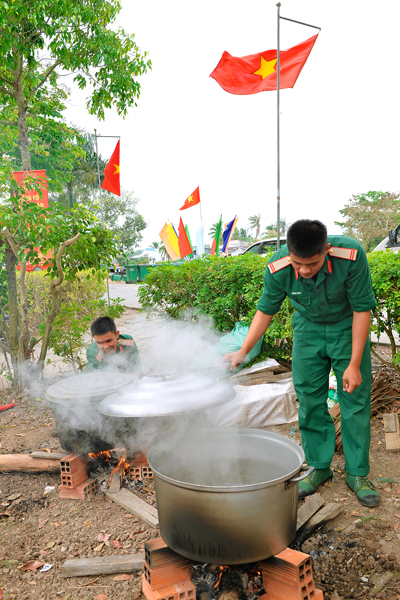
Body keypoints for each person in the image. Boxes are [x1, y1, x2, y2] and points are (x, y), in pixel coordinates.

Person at [225, 219, 379, 507]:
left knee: (354, 400)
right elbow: (265, 310)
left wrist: (354, 363)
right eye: (298, 264)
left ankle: (357, 474)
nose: (304, 271)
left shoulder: (351, 255)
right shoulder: (278, 266)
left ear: (327, 250)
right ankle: (319, 467)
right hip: (307, 330)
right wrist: (242, 352)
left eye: (312, 263)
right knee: (308, 399)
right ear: (289, 253)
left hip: (346, 328)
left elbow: (361, 310)